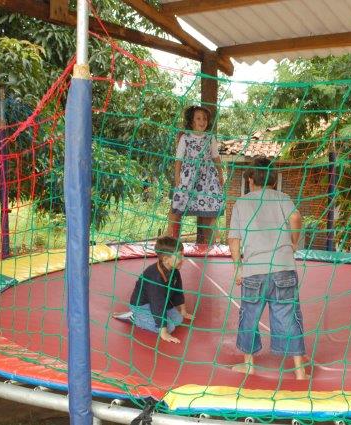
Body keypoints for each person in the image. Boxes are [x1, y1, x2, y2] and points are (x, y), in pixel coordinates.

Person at [228, 157, 308, 379]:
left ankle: (249, 364)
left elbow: (234, 239)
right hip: (283, 268)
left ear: (250, 180)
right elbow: (296, 217)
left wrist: (238, 267)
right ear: (273, 180)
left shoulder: (241, 203)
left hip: (254, 271)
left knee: (249, 317)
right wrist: (293, 242)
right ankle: (300, 371)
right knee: (289, 316)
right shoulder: (282, 198)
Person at [112, 236, 193, 344]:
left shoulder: (174, 270)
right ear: (166, 259)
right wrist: (163, 332)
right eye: (179, 256)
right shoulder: (154, 277)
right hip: (141, 306)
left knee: (178, 320)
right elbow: (157, 304)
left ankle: (151, 318)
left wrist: (183, 311)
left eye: (183, 255)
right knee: (169, 328)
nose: (183, 259)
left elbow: (177, 290)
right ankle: (133, 317)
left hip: (158, 302)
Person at [168, 105, 224, 243]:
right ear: (192, 121)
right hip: (188, 178)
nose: (202, 121)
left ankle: (210, 243)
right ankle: (170, 237)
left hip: (207, 179)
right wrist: (177, 177)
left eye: (205, 118)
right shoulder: (185, 138)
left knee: (208, 209)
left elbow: (216, 157)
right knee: (177, 206)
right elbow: (179, 159)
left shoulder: (210, 138)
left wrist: (220, 174)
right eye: (198, 118)